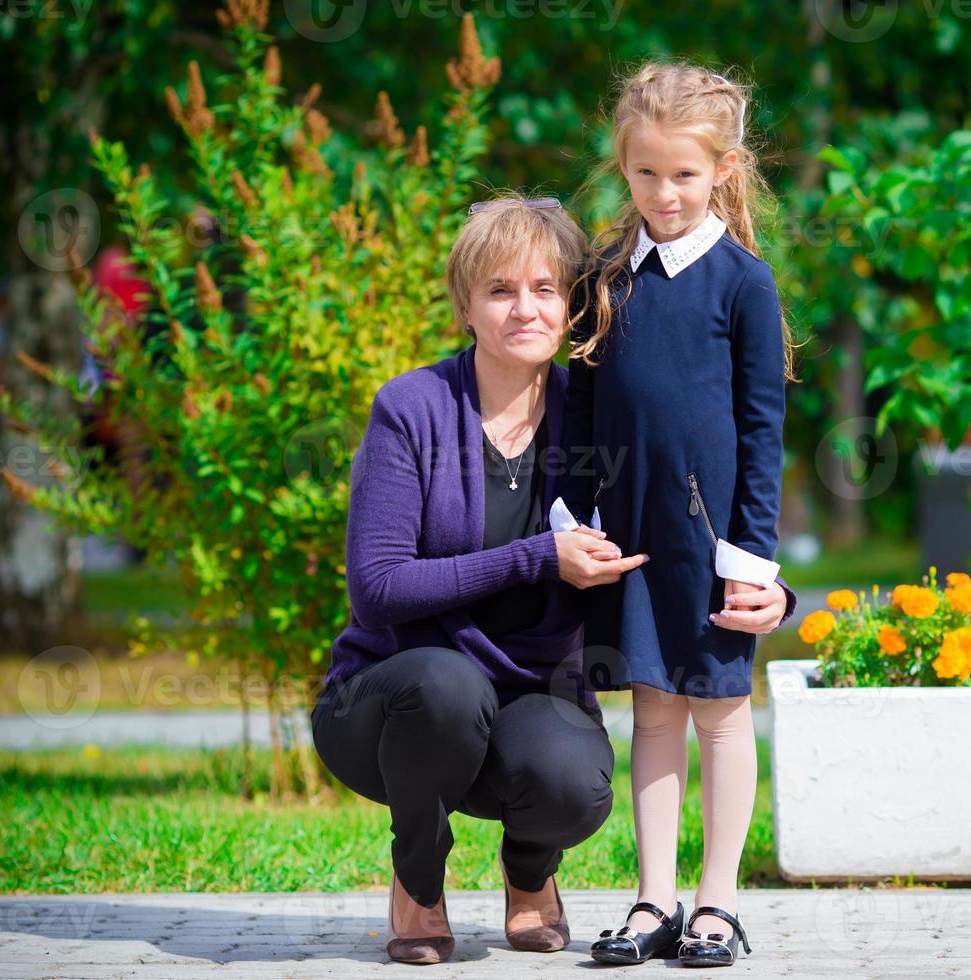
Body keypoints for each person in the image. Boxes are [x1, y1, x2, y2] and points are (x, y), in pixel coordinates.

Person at [311, 196, 662, 965]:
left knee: (570, 784)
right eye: (500, 289)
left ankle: (530, 874)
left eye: (546, 288)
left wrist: (757, 583)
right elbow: (376, 588)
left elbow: (671, 520)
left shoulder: (596, 414)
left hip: (534, 691)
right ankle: (419, 882)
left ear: (572, 304)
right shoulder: (412, 408)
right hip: (390, 704)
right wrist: (540, 555)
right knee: (444, 685)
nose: (524, 309)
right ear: (465, 304)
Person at [556, 63, 798, 968]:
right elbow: (579, 415)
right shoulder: (609, 276)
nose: (664, 193)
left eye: (685, 175)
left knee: (721, 713)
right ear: (625, 167)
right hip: (631, 541)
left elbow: (762, 430)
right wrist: (572, 518)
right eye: (647, 173)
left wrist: (752, 557)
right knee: (653, 712)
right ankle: (655, 900)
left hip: (714, 546)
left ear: (724, 171)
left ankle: (716, 906)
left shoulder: (743, 283)